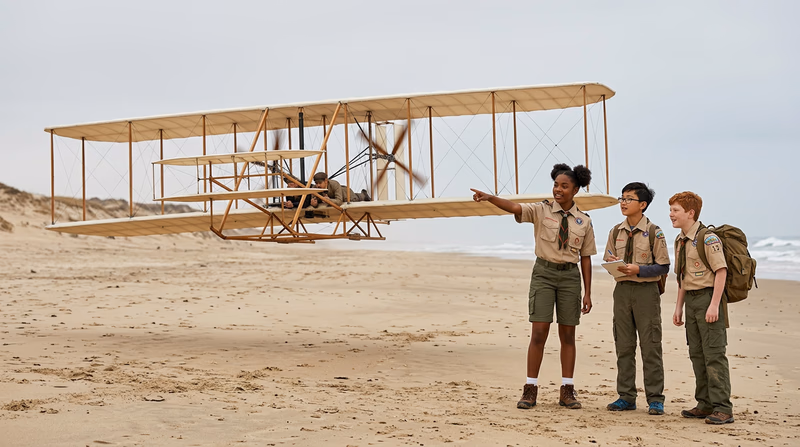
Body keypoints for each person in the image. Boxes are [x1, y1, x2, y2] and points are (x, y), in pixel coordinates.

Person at [471, 163, 595, 410]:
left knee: (568, 335)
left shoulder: (584, 221)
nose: (558, 190)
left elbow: (586, 257)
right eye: (556, 185)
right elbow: (515, 208)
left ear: (576, 190)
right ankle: (530, 389)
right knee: (539, 332)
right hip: (544, 275)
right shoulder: (541, 210)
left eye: (564, 186)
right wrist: (490, 198)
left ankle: (567, 391)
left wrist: (588, 292)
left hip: (570, 278)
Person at [603, 182, 670, 415]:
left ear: (642, 205)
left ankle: (655, 399)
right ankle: (626, 397)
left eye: (629, 199)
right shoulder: (615, 231)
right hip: (621, 292)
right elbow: (608, 260)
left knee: (651, 346)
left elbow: (663, 266)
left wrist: (638, 270)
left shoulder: (654, 231)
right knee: (623, 345)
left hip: (646, 293)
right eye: (622, 198)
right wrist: (615, 266)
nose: (623, 203)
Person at [670, 191, 733, 425]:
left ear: (690, 213)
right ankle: (705, 404)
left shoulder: (708, 238)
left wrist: (714, 304)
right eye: (671, 210)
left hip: (708, 299)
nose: (671, 214)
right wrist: (678, 308)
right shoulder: (680, 240)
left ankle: (723, 408)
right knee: (696, 354)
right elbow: (682, 277)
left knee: (714, 354)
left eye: (675, 210)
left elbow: (721, 271)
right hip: (691, 302)